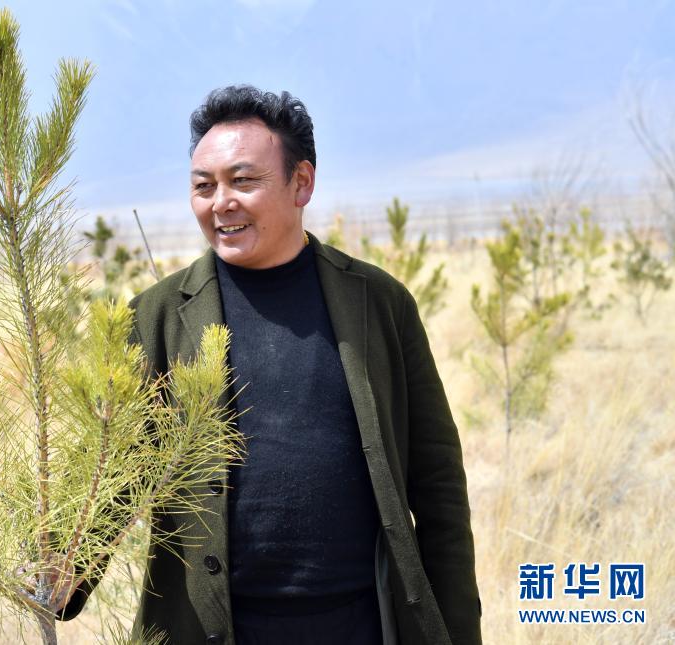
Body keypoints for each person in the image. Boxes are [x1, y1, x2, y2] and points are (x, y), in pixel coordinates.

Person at [63, 85, 481, 645]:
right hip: (212, 629)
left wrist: (457, 627)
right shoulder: (157, 317)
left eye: (243, 181)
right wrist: (57, 573)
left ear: (301, 182)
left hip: (361, 624)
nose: (221, 202)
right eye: (203, 186)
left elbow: (437, 484)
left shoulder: (377, 303)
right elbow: (106, 474)